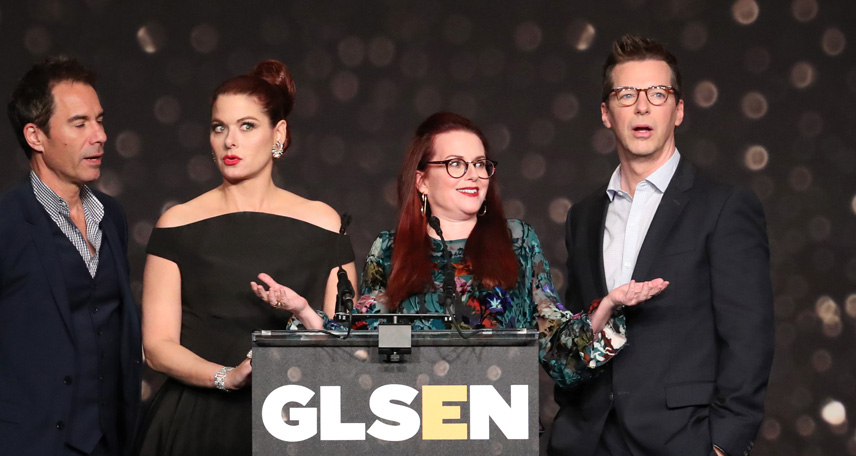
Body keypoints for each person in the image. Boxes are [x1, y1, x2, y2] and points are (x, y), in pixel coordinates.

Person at [259, 111, 667, 389]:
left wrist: (608, 306)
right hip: (411, 429)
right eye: (455, 164)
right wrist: (304, 313)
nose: (472, 175)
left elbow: (555, 344)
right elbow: (360, 346)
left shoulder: (517, 240)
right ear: (422, 180)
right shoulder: (390, 249)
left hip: (498, 430)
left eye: (480, 163)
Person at [548, 35, 775, 456]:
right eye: (626, 94)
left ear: (679, 110)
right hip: (591, 449)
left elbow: (750, 339)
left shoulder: (724, 206)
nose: (642, 107)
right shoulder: (584, 215)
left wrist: (721, 450)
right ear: (605, 113)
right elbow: (579, 325)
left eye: (658, 93)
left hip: (684, 453)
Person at [135, 60, 356, 456]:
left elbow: (346, 343)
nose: (229, 141)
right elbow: (157, 347)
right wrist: (226, 377)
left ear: (280, 134)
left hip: (298, 423)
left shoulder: (324, 224)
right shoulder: (178, 224)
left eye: (247, 126)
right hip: (194, 428)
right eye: (219, 127)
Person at [0, 57, 143, 456]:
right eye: (79, 124)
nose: (99, 136)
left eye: (99, 120)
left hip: (108, 454)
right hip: (19, 455)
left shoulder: (111, 217)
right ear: (35, 135)